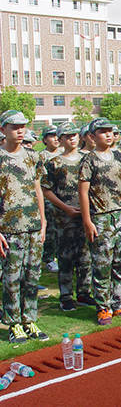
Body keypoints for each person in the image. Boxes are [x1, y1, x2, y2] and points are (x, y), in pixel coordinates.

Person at [0, 110, 49, 343]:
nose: (20, 130)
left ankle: (30, 320)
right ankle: (14, 323)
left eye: (22, 126)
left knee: (32, 276)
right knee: (12, 278)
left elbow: (37, 188)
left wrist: (43, 220)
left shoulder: (32, 156)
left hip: (33, 226)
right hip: (9, 228)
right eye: (14, 127)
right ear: (3, 130)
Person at [79, 117, 121, 325]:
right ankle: (103, 307)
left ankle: (118, 303)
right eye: (103, 131)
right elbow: (83, 192)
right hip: (100, 217)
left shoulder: (119, 156)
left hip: (119, 215)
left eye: (110, 131)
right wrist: (87, 220)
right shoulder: (89, 160)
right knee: (102, 264)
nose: (108, 135)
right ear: (92, 136)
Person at [41, 122, 94, 312]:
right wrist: (65, 208)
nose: (71, 139)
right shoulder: (54, 163)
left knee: (85, 256)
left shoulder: (88, 159)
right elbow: (46, 190)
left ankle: (84, 292)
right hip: (64, 217)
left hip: (86, 214)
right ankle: (66, 296)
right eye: (67, 136)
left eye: (74, 135)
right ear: (60, 139)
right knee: (65, 257)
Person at [40, 125, 61, 274]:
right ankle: (49, 258)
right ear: (45, 139)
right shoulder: (41, 156)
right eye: (51, 136)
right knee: (51, 230)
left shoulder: (63, 153)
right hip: (48, 197)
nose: (55, 138)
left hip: (63, 197)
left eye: (57, 135)